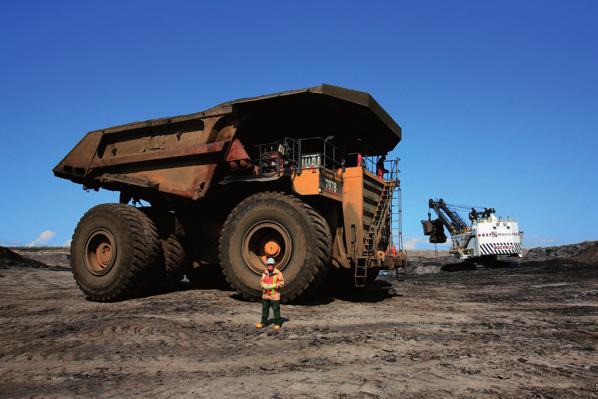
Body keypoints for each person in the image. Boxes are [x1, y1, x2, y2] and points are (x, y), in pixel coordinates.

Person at [256, 257, 285, 331]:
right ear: (267, 265)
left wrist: (275, 285)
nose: (270, 266)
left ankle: (277, 324)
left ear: (274, 265)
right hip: (265, 295)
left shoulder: (278, 272)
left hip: (274, 296)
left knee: (276, 310)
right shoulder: (265, 272)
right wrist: (263, 285)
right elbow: (261, 281)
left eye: (271, 264)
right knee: (264, 310)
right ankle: (263, 323)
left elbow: (282, 282)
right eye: (269, 264)